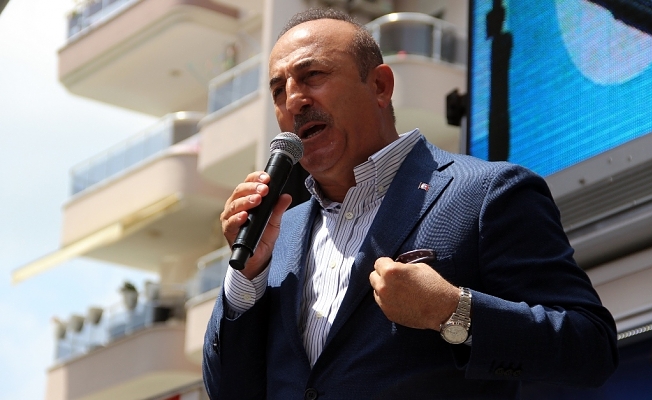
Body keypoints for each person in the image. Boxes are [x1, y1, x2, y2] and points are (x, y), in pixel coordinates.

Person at [203, 8, 618, 399]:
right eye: (279, 90)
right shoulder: (277, 234)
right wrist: (246, 278)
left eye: (312, 75)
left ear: (380, 86)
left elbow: (590, 348)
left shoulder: (486, 192)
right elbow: (228, 390)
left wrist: (452, 311)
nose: (294, 100)